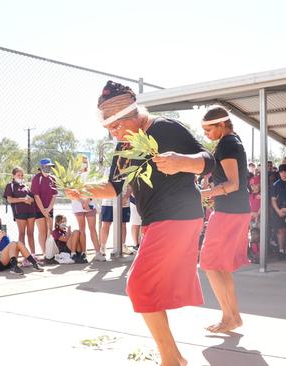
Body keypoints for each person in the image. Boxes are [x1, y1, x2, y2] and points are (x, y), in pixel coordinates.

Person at [66, 81, 214, 366]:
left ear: (133, 115)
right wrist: (82, 189)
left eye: (116, 126)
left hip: (178, 215)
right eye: (109, 128)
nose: (113, 133)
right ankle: (173, 358)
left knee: (139, 285)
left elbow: (209, 162)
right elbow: (113, 187)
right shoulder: (125, 146)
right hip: (156, 220)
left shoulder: (165, 128)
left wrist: (182, 161)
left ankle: (172, 360)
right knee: (149, 288)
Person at [199, 107, 251, 333]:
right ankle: (234, 317)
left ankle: (228, 317)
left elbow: (233, 184)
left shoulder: (228, 143)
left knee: (209, 264)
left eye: (209, 129)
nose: (206, 134)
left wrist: (203, 194)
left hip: (229, 212)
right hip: (235, 210)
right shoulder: (233, 141)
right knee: (221, 267)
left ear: (222, 125)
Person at [3, 167, 37, 265]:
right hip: (20, 213)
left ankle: (33, 256)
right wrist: (23, 199)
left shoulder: (25, 186)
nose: (21, 177)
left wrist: (30, 200)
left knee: (31, 233)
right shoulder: (10, 186)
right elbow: (10, 200)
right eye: (18, 175)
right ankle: (25, 257)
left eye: (22, 175)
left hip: (31, 212)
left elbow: (32, 198)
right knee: (22, 233)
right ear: (13, 176)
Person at [70, 157, 102, 261]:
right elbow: (72, 191)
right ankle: (84, 252)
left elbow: (94, 189)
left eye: (85, 162)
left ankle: (98, 252)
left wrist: (88, 201)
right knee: (81, 229)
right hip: (77, 203)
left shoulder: (90, 174)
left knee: (92, 229)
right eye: (81, 162)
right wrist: (82, 202)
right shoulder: (73, 175)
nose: (84, 164)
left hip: (90, 203)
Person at [31, 158, 58, 260]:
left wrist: (49, 209)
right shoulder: (36, 178)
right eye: (46, 166)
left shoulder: (53, 178)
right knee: (42, 231)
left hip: (49, 209)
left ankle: (49, 253)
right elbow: (36, 196)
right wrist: (43, 210)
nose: (48, 168)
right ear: (41, 167)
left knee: (49, 231)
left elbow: (54, 196)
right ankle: (44, 254)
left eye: (50, 166)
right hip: (38, 209)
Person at [99, 186, 131, 258]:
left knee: (123, 224)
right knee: (106, 224)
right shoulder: (105, 174)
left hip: (124, 202)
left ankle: (122, 246)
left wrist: (126, 197)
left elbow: (130, 186)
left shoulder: (127, 174)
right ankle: (102, 247)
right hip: (108, 202)